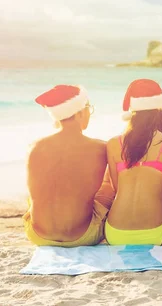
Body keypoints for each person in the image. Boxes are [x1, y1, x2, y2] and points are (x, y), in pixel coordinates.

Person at [24, 85, 115, 247]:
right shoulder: (101, 148)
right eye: (89, 109)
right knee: (108, 186)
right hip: (83, 237)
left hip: (38, 236)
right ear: (80, 112)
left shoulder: (35, 146)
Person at [105, 79, 162, 246]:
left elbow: (118, 189)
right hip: (156, 235)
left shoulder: (113, 144)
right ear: (159, 109)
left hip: (115, 234)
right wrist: (154, 198)